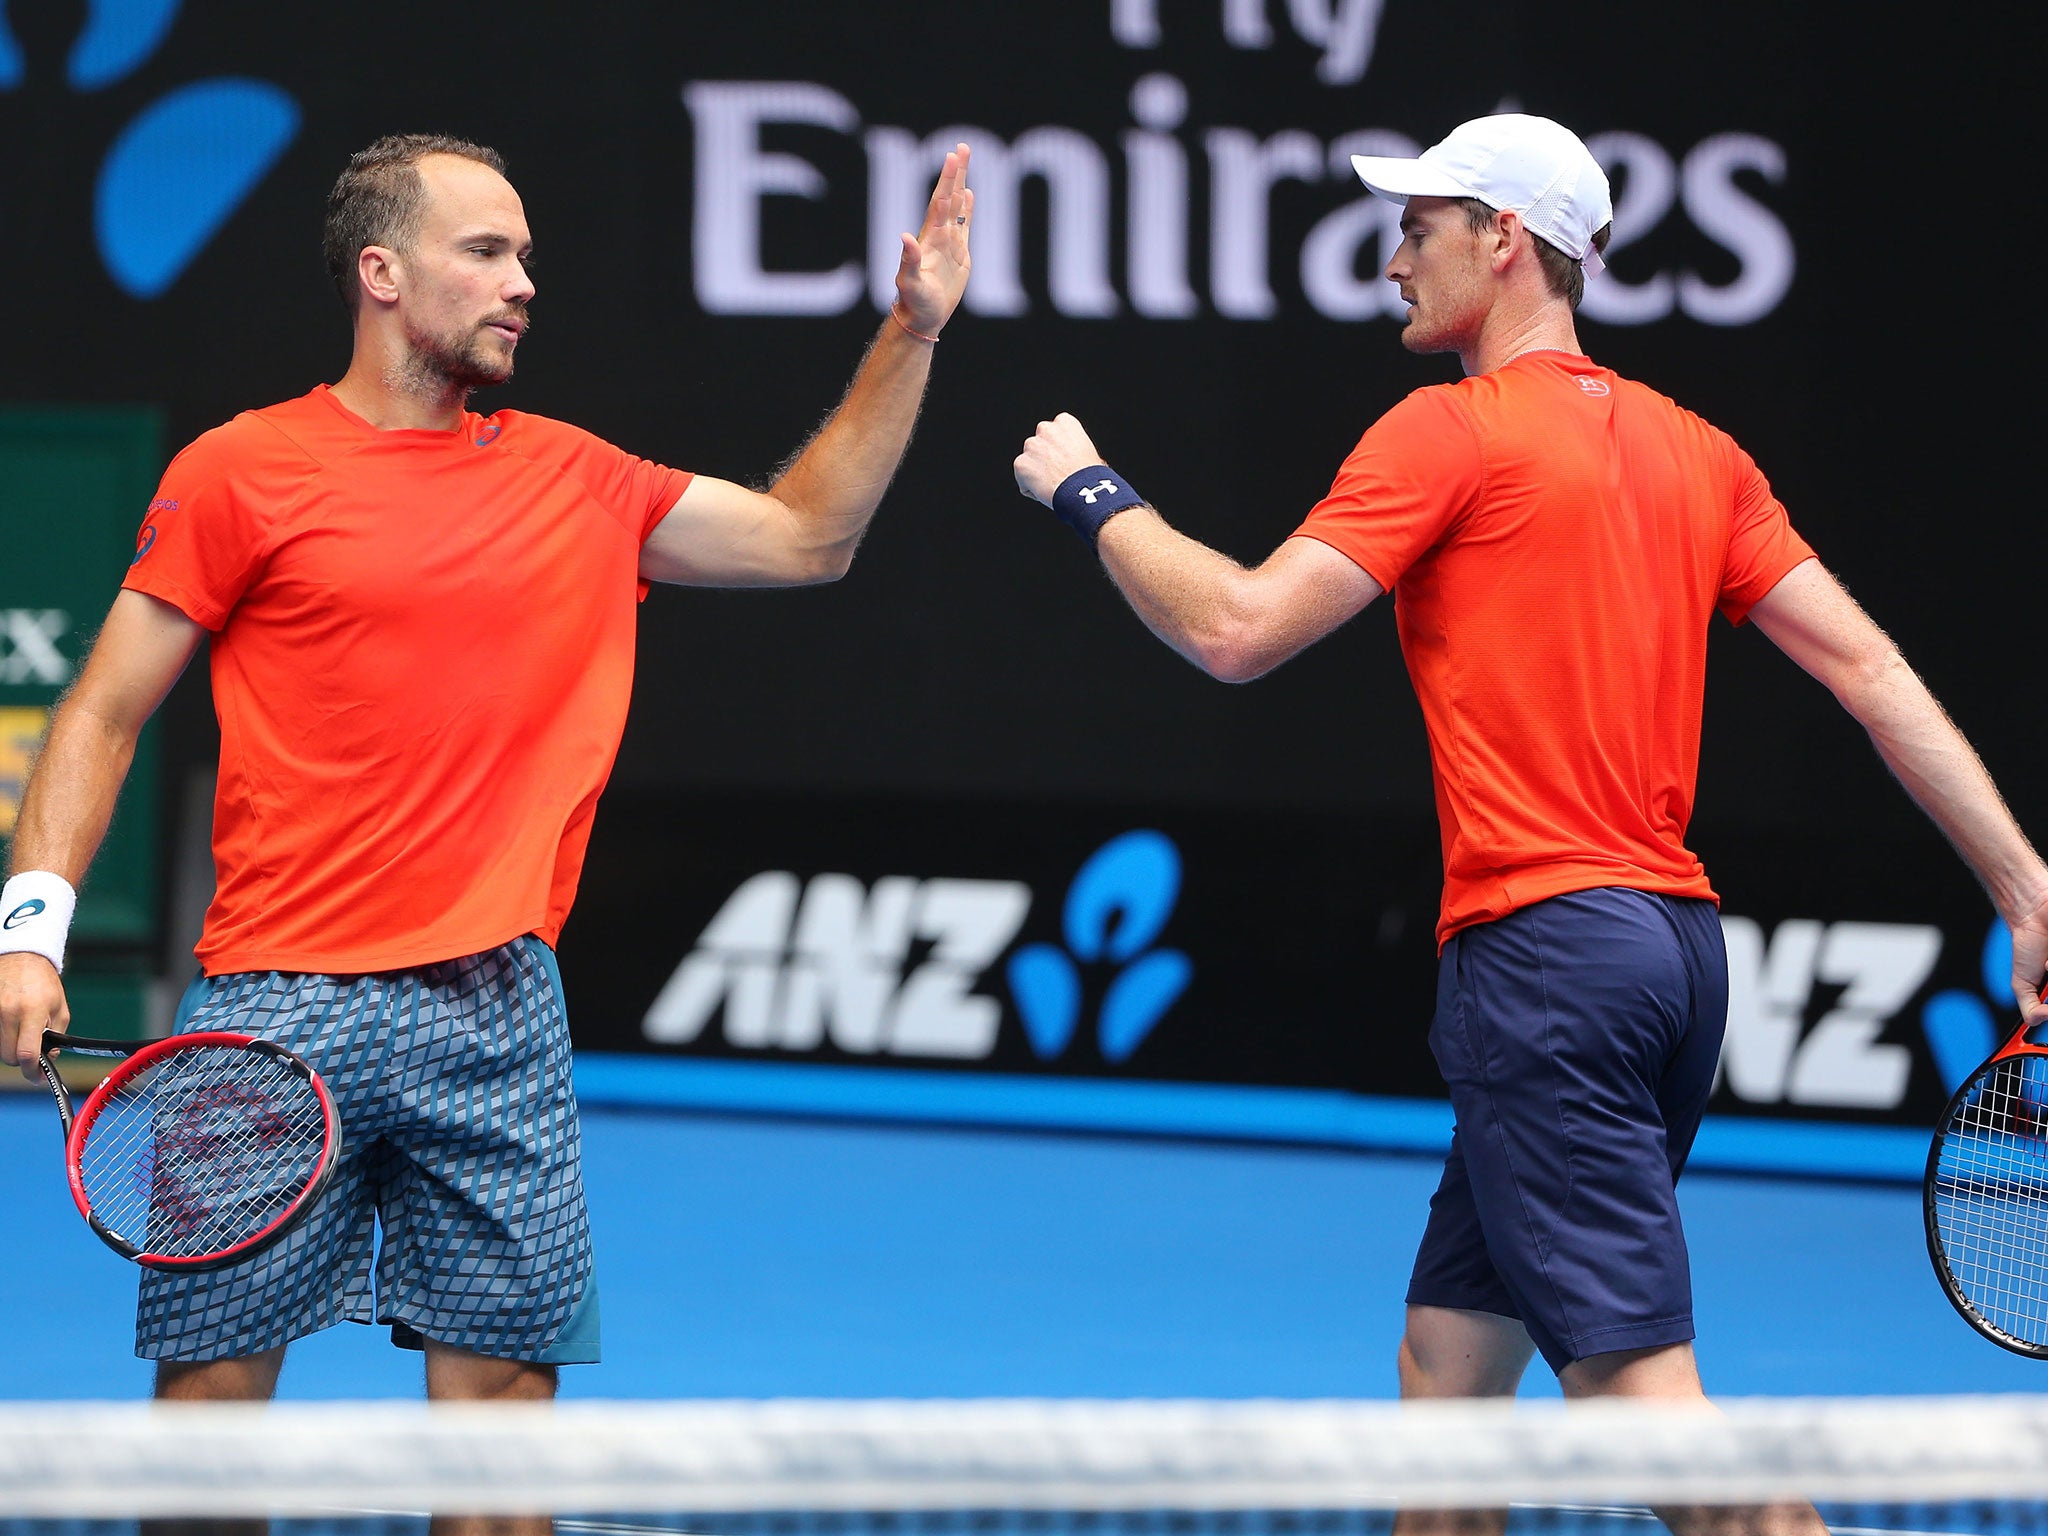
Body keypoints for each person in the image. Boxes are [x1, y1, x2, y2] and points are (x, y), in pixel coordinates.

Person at [1014, 113, 2048, 1426]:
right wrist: (2024, 893)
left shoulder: (1446, 434)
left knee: (1642, 1409)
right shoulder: (1705, 453)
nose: (1394, 262)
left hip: (1548, 966)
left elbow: (1236, 631)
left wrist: (1097, 495)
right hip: (1671, 964)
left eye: (1418, 229)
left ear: (1505, 241)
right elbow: (1872, 673)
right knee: (1448, 1378)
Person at [0, 131, 973, 1405]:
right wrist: (30, 934)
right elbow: (102, 711)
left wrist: (910, 332)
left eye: (526, 255)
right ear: (382, 273)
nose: (523, 281)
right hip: (277, 1000)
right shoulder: (241, 471)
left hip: (498, 1008)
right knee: (210, 1411)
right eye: (486, 251)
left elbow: (805, 539)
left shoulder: (578, 477)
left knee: (505, 1408)